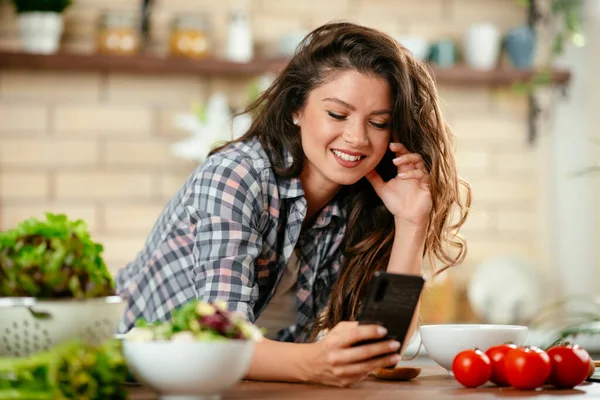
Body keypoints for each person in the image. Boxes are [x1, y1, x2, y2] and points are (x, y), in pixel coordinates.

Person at [115, 21, 471, 387]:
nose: (357, 137)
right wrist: (314, 362)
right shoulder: (236, 176)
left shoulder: (358, 202)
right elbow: (219, 341)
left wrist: (412, 223)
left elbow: (382, 343)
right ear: (295, 109)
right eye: (337, 114)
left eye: (378, 122)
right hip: (135, 382)